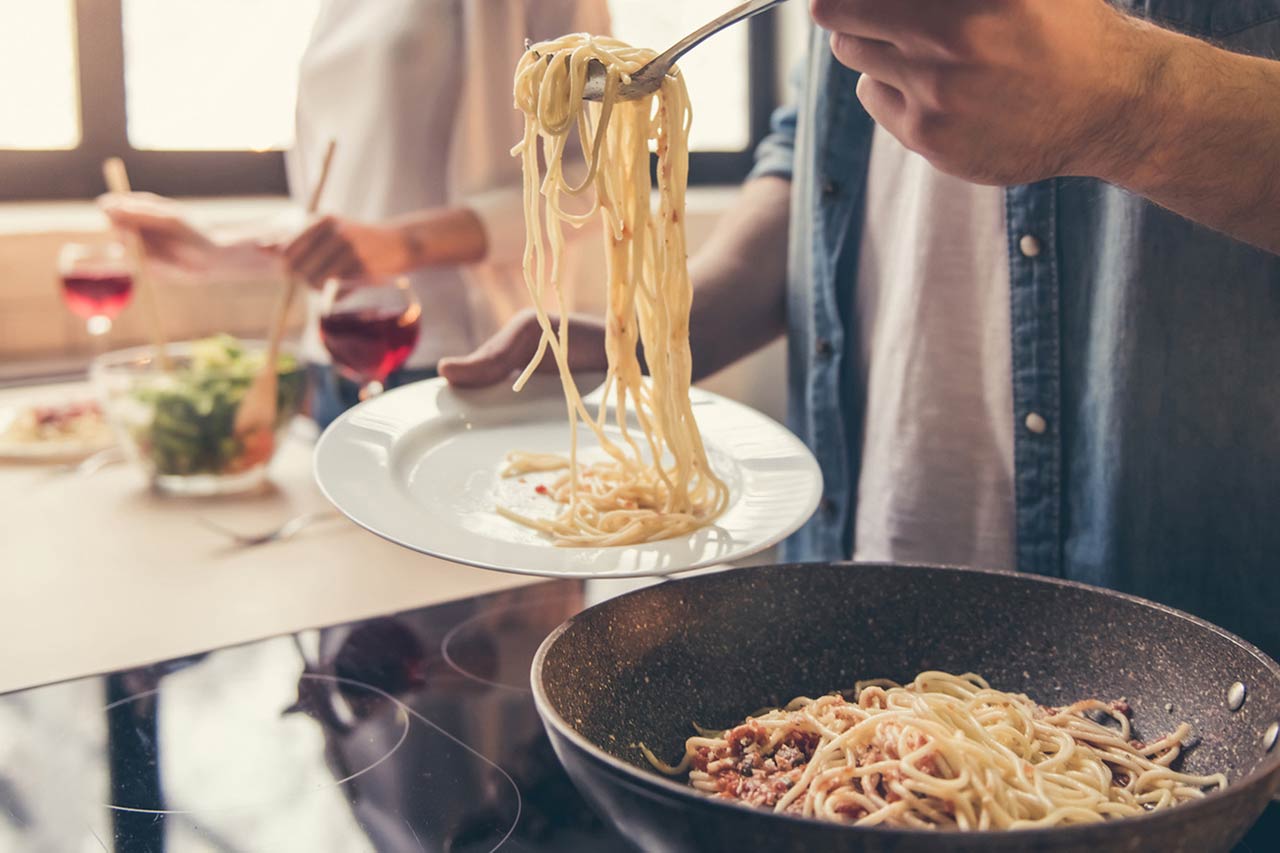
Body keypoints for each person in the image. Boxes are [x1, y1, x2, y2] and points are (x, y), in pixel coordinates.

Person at [440, 0, 1280, 660]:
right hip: (856, 568)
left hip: (1185, 642)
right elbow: (814, 142)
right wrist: (653, 330)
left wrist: (1129, 101)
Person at [103, 0, 610, 427]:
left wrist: (405, 244)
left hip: (462, 364)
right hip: (336, 361)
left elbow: (594, 188)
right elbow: (349, 208)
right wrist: (215, 249)